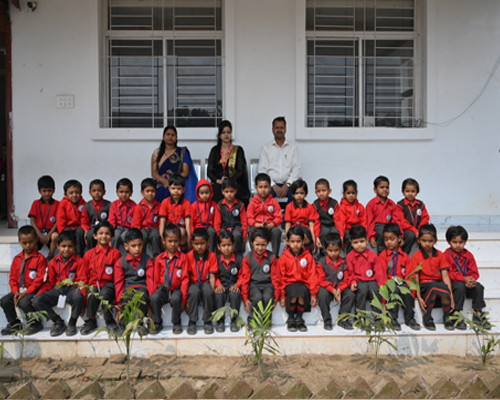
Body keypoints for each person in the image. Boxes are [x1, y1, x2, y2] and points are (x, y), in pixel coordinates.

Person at [33, 230, 86, 337]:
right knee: (37, 300)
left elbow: (82, 282)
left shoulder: (79, 261)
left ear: (75, 246)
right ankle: (58, 321)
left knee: (78, 296)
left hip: (72, 289)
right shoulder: (53, 262)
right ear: (57, 246)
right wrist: (40, 293)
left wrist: (82, 303)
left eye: (70, 246)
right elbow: (49, 281)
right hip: (58, 289)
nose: (66, 249)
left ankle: (72, 323)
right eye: (63, 246)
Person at [1, 226, 47, 336]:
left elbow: (39, 280)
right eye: (24, 243)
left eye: (31, 242)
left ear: (36, 240)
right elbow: (12, 278)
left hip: (33, 290)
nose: (28, 245)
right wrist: (16, 292)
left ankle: (35, 323)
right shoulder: (16, 259)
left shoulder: (40, 259)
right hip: (19, 290)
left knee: (24, 302)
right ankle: (14, 323)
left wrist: (26, 292)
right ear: (19, 241)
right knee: (5, 300)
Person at [444, 225, 490, 330]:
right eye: (454, 242)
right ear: (448, 241)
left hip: (466, 283)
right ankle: (456, 314)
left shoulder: (468, 255)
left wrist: (470, 280)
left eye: (461, 242)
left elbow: (474, 272)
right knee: (459, 286)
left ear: (465, 242)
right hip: (454, 284)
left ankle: (478, 314)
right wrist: (463, 279)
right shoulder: (446, 255)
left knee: (478, 287)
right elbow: (448, 274)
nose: (458, 245)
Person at [411, 224, 454, 331]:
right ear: (419, 240)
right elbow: (415, 278)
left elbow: (445, 276)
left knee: (442, 287)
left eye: (430, 241)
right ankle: (427, 317)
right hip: (424, 285)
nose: (427, 243)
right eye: (424, 240)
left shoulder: (440, 255)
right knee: (434, 287)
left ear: (435, 240)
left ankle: (447, 317)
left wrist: (451, 296)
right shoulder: (416, 256)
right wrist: (418, 297)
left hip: (437, 284)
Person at [81, 221, 122, 335]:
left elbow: (118, 277)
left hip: (109, 285)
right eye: (100, 233)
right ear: (94, 236)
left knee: (105, 294)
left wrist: (118, 303)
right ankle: (91, 320)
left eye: (107, 233)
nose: (104, 236)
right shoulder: (88, 255)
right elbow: (84, 277)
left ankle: (109, 320)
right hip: (93, 284)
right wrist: (82, 302)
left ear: (112, 237)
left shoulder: (116, 253)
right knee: (91, 293)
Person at [378, 223, 420, 330]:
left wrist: (412, 294)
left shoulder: (405, 257)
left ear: (399, 239)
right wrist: (383, 299)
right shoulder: (382, 256)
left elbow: (410, 277)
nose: (389, 242)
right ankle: (392, 318)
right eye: (386, 239)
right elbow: (382, 276)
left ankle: (410, 318)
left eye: (392, 239)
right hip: (389, 284)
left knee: (406, 290)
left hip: (401, 283)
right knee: (394, 290)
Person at [150, 223, 189, 335]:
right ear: (163, 241)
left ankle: (176, 322)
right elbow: (156, 279)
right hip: (163, 290)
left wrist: (184, 300)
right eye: (170, 241)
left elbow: (185, 279)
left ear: (179, 241)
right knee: (154, 297)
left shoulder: (183, 258)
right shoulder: (159, 259)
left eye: (176, 241)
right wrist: (155, 292)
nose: (173, 244)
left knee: (177, 298)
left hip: (177, 289)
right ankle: (157, 322)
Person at [114, 228, 155, 336]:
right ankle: (123, 324)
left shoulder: (148, 260)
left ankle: (142, 323)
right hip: (128, 288)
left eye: (140, 245)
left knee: (141, 295)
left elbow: (150, 282)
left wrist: (150, 305)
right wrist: (118, 307)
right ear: (126, 246)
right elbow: (119, 284)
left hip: (142, 287)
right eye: (133, 246)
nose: (137, 249)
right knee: (126, 296)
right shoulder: (120, 263)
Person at [279, 226, 318, 332]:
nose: (295, 244)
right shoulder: (284, 257)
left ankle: (300, 318)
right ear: (287, 241)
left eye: (298, 241)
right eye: (292, 241)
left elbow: (312, 275)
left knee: (302, 291)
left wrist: (313, 293)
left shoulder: (308, 256)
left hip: (303, 284)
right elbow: (281, 277)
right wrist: (282, 295)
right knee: (294, 292)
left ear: (303, 241)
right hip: (289, 284)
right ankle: (291, 318)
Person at [240, 228, 281, 325]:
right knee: (257, 297)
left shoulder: (272, 257)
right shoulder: (248, 258)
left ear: (268, 244)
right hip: (254, 286)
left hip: (268, 285)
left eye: (263, 245)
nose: (260, 248)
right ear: (252, 243)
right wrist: (245, 298)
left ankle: (267, 320)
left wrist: (277, 296)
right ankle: (252, 320)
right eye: (257, 244)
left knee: (268, 297)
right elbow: (245, 279)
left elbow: (276, 278)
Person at [316, 233, 355, 331]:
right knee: (322, 295)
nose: (333, 253)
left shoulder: (344, 263)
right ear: (325, 249)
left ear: (340, 249)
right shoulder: (321, 262)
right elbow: (321, 280)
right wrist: (332, 290)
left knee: (350, 294)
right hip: (327, 287)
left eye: (336, 250)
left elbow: (346, 280)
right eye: (330, 250)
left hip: (340, 288)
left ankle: (343, 319)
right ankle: (327, 320)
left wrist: (340, 289)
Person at [258, 117, 300, 203]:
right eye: (277, 127)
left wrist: (287, 184)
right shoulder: (266, 148)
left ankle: (289, 212)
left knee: (297, 194)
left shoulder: (293, 147)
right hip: (270, 185)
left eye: (282, 127)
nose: (279, 130)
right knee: (265, 198)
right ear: (273, 129)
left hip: (289, 184)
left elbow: (296, 168)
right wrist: (273, 185)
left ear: (285, 129)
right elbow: (262, 170)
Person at [207, 120, 250, 204]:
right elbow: (209, 171)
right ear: (219, 135)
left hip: (235, 182)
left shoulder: (238, 150)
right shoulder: (215, 150)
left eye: (228, 132)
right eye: (223, 132)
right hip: (219, 183)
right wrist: (218, 180)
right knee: (215, 190)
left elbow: (241, 171)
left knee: (235, 190)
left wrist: (230, 180)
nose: (226, 135)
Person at [346, 225, 385, 318]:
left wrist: (383, 299)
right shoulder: (349, 257)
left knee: (375, 289)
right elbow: (350, 273)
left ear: (367, 240)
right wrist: (352, 282)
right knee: (362, 290)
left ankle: (377, 317)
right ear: (351, 243)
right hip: (359, 282)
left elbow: (379, 275)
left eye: (362, 241)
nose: (359, 245)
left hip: (372, 281)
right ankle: (360, 319)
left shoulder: (373, 256)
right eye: (355, 242)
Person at [151, 125, 198, 203]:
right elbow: (154, 172)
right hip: (160, 184)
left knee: (173, 191)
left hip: (176, 184)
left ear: (176, 137)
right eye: (168, 134)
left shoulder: (182, 152)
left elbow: (185, 172)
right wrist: (164, 181)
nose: (170, 137)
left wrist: (171, 181)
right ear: (163, 137)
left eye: (173, 135)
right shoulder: (157, 152)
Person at [186, 228, 218, 335]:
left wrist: (212, 294)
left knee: (208, 291)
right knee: (193, 292)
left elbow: (212, 277)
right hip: (193, 282)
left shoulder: (212, 256)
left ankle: (207, 321)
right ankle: (192, 321)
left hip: (206, 282)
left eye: (202, 243)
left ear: (208, 242)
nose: (199, 246)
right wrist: (185, 298)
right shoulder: (188, 256)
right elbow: (187, 277)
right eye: (196, 244)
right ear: (192, 243)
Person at [214, 230, 243, 333]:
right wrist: (218, 284)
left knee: (235, 295)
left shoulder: (239, 259)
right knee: (219, 295)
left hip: (233, 285)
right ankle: (220, 321)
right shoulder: (216, 259)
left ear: (234, 245)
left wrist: (237, 285)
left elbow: (243, 275)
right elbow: (214, 275)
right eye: (223, 245)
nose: (226, 248)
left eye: (229, 245)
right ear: (218, 246)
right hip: (221, 285)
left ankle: (234, 320)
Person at [247, 173, 283, 256]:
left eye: (265, 187)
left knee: (277, 232)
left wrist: (272, 224)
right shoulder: (252, 203)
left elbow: (279, 217)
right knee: (251, 231)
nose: (263, 190)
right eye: (260, 187)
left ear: (270, 188)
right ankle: (254, 256)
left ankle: (274, 257)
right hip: (257, 227)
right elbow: (249, 218)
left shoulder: (274, 202)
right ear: (256, 188)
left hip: (269, 228)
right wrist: (257, 224)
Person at [366, 176, 403, 254]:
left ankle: (397, 255)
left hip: (389, 225)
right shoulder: (371, 204)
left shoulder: (392, 204)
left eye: (387, 187)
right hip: (378, 226)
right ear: (375, 190)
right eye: (382, 187)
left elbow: (397, 220)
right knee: (382, 231)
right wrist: (371, 237)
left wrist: (401, 235)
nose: (385, 189)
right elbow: (370, 222)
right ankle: (382, 254)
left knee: (393, 231)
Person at [28, 175, 59, 261]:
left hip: (51, 232)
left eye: (50, 191)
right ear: (39, 191)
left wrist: (49, 234)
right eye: (44, 191)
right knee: (32, 236)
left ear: (54, 190)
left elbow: (58, 222)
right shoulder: (35, 203)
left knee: (55, 236)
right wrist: (39, 234)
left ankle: (50, 256)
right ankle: (35, 257)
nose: (47, 193)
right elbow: (32, 221)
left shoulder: (57, 204)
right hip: (38, 231)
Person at [159, 174, 192, 253]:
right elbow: (162, 222)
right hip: (169, 227)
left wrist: (189, 240)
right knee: (167, 233)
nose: (176, 191)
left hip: (181, 228)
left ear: (184, 189)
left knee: (182, 232)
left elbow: (188, 223)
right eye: (173, 188)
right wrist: (161, 238)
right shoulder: (165, 202)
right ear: (169, 188)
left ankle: (184, 253)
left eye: (179, 188)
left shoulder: (186, 203)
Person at [214, 178, 248, 255]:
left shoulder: (240, 205)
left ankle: (238, 256)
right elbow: (217, 224)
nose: (229, 194)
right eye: (226, 192)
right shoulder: (219, 205)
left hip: (236, 227)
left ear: (235, 191)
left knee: (236, 235)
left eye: (231, 191)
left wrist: (244, 239)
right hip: (224, 228)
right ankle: (223, 256)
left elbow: (244, 223)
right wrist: (217, 239)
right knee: (223, 236)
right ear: (222, 192)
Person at [397, 178, 430, 255]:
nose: (410, 194)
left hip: (419, 229)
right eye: (407, 191)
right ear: (403, 192)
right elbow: (402, 221)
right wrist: (415, 231)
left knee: (426, 234)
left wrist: (420, 230)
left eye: (413, 191)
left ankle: (424, 255)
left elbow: (425, 218)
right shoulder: (400, 205)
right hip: (406, 230)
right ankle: (404, 254)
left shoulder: (420, 204)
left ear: (417, 192)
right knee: (410, 235)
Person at [131, 178, 162, 258]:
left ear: (156, 192)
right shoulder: (138, 207)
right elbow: (136, 224)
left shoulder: (159, 206)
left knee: (155, 236)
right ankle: (141, 258)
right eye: (147, 191)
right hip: (143, 229)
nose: (150, 193)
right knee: (142, 236)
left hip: (154, 228)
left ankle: (157, 258)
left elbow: (160, 222)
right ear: (142, 192)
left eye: (152, 191)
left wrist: (161, 233)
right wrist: (136, 235)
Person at [284, 179, 317, 254]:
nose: (299, 195)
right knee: (294, 237)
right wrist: (287, 238)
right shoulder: (289, 207)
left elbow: (311, 225)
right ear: (292, 194)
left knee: (303, 236)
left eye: (301, 193)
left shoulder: (310, 207)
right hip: (293, 228)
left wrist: (314, 241)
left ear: (306, 194)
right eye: (296, 193)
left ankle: (307, 254)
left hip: (305, 228)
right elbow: (288, 224)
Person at [56, 179, 86, 257]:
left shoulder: (83, 203)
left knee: (80, 231)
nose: (74, 195)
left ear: (81, 193)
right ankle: (67, 254)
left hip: (78, 227)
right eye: (71, 193)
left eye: (77, 192)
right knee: (67, 233)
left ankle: (79, 254)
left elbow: (84, 218)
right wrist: (61, 232)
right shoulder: (63, 204)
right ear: (65, 194)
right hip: (67, 227)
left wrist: (85, 228)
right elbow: (60, 219)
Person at [337, 180, 367, 255]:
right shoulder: (342, 207)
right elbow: (341, 223)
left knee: (361, 238)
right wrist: (341, 237)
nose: (351, 195)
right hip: (348, 229)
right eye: (348, 193)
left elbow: (364, 221)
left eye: (353, 193)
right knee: (349, 237)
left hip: (358, 228)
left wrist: (365, 232)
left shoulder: (360, 206)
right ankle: (350, 257)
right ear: (344, 194)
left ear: (356, 193)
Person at [81, 179, 112, 251]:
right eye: (94, 191)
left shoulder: (109, 204)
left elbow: (110, 220)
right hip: (93, 228)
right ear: (90, 192)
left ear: (104, 192)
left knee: (104, 235)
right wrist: (86, 230)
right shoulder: (87, 205)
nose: (97, 193)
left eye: (99, 190)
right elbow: (84, 221)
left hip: (105, 228)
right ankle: (91, 252)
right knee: (89, 235)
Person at [108, 178, 136, 255]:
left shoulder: (134, 206)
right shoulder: (114, 204)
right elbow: (111, 222)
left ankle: (127, 257)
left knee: (125, 236)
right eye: (121, 192)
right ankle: (113, 256)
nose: (123, 194)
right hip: (117, 228)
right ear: (117, 192)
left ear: (131, 193)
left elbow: (134, 223)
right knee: (115, 236)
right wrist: (109, 236)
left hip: (128, 229)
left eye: (127, 192)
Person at [313, 178, 341, 253]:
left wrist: (341, 235)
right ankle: (323, 253)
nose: (321, 193)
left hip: (333, 225)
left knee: (335, 231)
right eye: (319, 191)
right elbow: (316, 222)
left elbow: (338, 220)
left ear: (329, 191)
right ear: (315, 192)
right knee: (324, 231)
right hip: (322, 226)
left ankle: (335, 252)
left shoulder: (334, 203)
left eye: (324, 190)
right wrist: (317, 237)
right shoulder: (315, 205)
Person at [190, 179, 217, 253]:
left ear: (210, 192)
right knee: (197, 235)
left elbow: (216, 221)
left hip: (209, 227)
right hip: (198, 227)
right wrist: (191, 234)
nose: (204, 195)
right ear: (198, 193)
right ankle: (197, 253)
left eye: (206, 192)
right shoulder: (194, 205)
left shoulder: (214, 204)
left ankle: (211, 253)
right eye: (202, 193)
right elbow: (191, 222)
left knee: (212, 232)